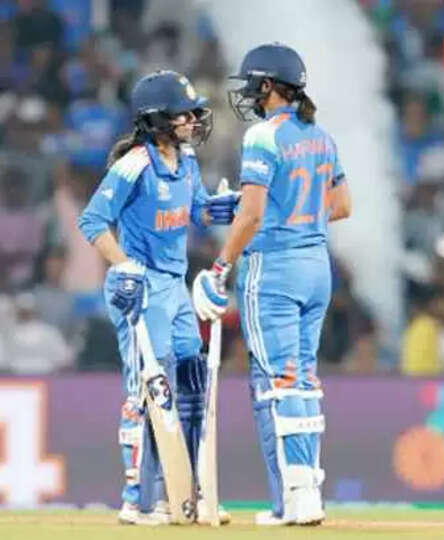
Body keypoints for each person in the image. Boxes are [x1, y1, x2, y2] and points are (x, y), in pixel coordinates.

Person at [191, 42, 351, 526]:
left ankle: (298, 497)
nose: (247, 95)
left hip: (274, 268)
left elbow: (255, 215)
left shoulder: (263, 135)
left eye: (251, 85)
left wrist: (221, 265)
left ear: (268, 86)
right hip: (316, 267)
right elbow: (341, 205)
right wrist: (279, 204)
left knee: (280, 379)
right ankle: (301, 492)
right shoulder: (320, 136)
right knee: (300, 375)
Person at [76, 70, 236, 525]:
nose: (192, 119)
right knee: (149, 389)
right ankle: (137, 499)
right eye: (182, 113)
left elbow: (197, 208)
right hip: (139, 286)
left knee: (190, 384)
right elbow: (92, 221)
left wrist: (221, 208)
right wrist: (124, 266)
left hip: (176, 287)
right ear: (157, 118)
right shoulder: (133, 165)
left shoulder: (185, 161)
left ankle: (182, 492)